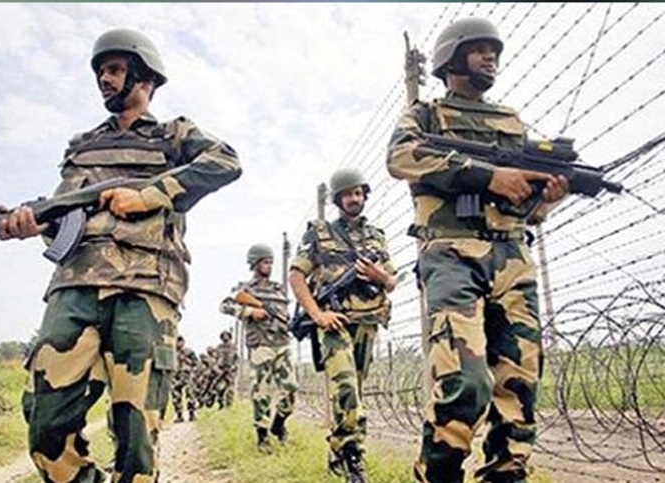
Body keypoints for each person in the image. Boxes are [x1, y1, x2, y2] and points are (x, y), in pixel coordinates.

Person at [0, 27, 241, 483]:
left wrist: (150, 194)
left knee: (137, 439)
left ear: (144, 77)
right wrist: (34, 224)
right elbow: (64, 214)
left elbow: (226, 162)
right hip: (75, 287)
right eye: (100, 73)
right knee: (46, 426)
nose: (104, 80)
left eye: (113, 70)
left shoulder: (173, 135)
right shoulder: (83, 145)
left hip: (145, 289)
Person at [386, 17, 569, 483]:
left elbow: (527, 210)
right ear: (452, 58)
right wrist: (488, 176)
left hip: (512, 256)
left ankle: (506, 473)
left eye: (496, 51)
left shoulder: (511, 122)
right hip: (451, 254)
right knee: (464, 383)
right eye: (481, 49)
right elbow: (401, 157)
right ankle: (438, 474)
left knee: (519, 386)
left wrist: (545, 198)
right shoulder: (426, 116)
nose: (491, 57)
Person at [289, 168, 400, 483]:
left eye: (359, 193)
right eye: (348, 194)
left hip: (368, 321)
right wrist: (317, 315)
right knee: (347, 388)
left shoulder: (376, 236)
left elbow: (391, 281)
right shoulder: (319, 233)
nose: (354, 199)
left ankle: (338, 451)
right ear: (338, 199)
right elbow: (296, 276)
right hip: (333, 324)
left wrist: (379, 276)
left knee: (354, 394)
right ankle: (353, 458)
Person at [220, 243, 297, 453]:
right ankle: (262, 436)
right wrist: (250, 313)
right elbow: (225, 305)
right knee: (261, 392)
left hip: (282, 344)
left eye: (271, 262)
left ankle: (278, 424)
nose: (269, 266)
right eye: (265, 262)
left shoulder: (278, 289)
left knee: (291, 389)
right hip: (261, 345)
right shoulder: (246, 288)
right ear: (254, 263)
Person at [169, 335, 199, 423]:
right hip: (175, 376)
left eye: (180, 341)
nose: (179, 343)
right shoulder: (171, 352)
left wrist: (191, 369)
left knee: (190, 395)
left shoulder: (189, 352)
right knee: (176, 396)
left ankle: (192, 414)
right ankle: (179, 415)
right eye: (177, 341)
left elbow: (196, 363)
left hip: (186, 376)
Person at [213, 330, 239, 409]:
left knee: (230, 388)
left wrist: (234, 366)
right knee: (219, 388)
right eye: (223, 336)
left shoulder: (233, 347)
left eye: (227, 335)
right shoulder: (219, 347)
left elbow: (236, 359)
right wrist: (216, 368)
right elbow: (215, 358)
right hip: (221, 369)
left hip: (230, 370)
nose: (225, 337)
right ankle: (221, 402)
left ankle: (229, 405)